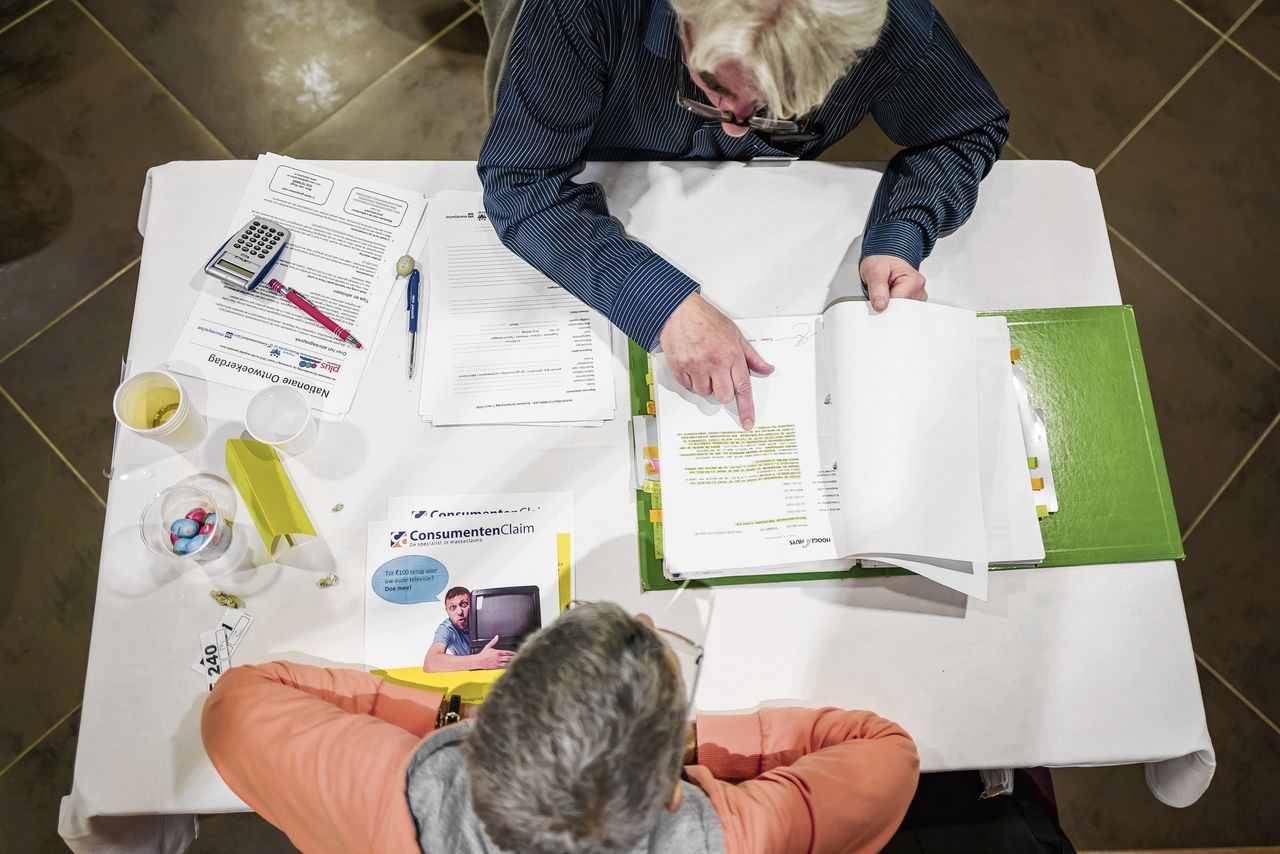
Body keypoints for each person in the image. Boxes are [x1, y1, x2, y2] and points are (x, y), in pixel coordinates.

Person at [478, 0, 1008, 430]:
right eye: (716, 86)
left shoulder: (890, 21)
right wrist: (660, 305)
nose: (736, 128)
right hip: (599, 150)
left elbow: (964, 127)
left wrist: (901, 232)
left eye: (774, 111)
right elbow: (521, 182)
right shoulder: (584, 9)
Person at [203, 601, 919, 853]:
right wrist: (680, 740)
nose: (644, 623)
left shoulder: (377, 788)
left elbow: (238, 702)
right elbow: (885, 753)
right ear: (669, 794)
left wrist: (455, 717)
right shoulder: (740, 834)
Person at [423, 586, 515, 672]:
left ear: (473, 605)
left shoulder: (487, 618)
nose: (459, 612)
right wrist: (480, 661)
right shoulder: (447, 628)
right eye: (453, 607)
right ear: (447, 611)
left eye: (463, 604)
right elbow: (430, 663)